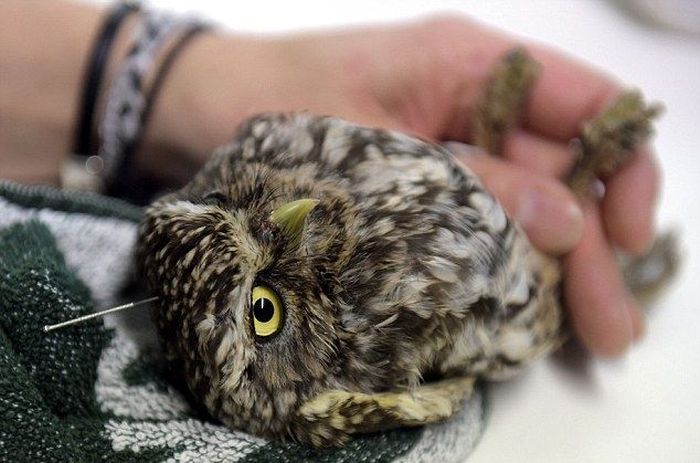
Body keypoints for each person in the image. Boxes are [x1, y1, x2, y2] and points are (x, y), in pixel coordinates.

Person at [0, 0, 659, 358]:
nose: (281, 225)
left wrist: (164, 79)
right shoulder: (362, 343)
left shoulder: (261, 155)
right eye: (264, 308)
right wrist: (577, 176)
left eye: (224, 211)